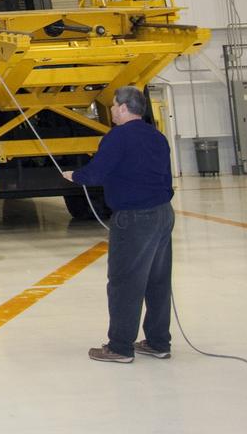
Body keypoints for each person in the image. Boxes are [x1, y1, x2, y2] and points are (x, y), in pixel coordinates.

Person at [62, 85, 174, 364]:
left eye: (113, 105)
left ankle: (120, 347)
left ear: (124, 108)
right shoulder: (157, 136)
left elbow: (97, 172)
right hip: (163, 214)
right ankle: (159, 342)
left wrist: (74, 175)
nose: (111, 110)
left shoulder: (118, 137)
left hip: (135, 219)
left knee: (125, 281)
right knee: (157, 281)